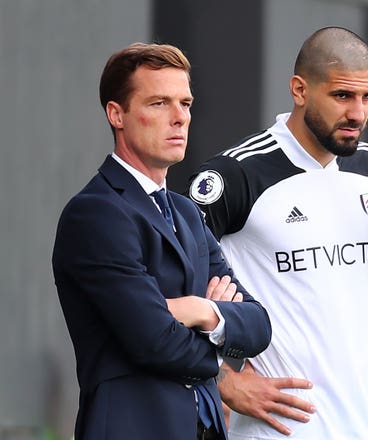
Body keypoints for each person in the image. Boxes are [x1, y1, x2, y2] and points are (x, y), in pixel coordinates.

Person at [188, 27, 368, 439]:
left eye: (367, 96)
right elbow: (161, 287)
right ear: (300, 90)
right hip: (279, 431)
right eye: (342, 96)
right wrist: (224, 381)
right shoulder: (236, 175)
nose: (358, 112)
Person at [52, 42, 271, 440]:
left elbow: (259, 327)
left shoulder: (186, 212)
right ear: (117, 114)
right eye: (159, 103)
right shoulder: (96, 213)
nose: (179, 118)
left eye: (185, 103)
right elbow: (155, 342)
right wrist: (221, 330)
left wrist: (201, 310)